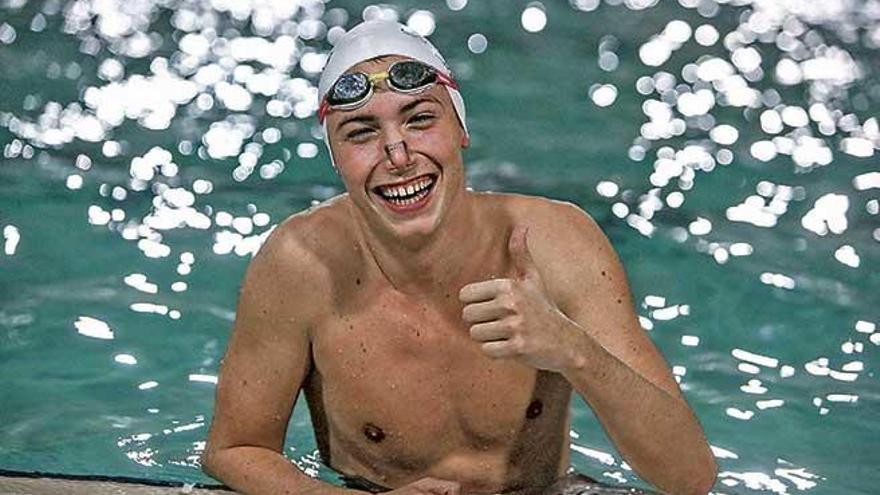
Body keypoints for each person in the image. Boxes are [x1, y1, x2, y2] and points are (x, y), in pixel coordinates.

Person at [201, 20, 717, 495]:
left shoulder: (558, 241)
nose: (398, 154)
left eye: (420, 120)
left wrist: (571, 349)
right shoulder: (300, 263)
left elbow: (689, 476)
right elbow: (234, 449)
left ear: (460, 131)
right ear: (336, 158)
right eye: (361, 133)